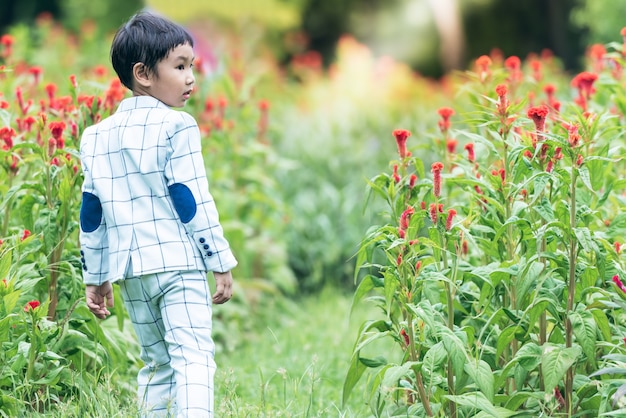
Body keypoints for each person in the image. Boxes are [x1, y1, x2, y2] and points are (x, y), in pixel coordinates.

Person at [78, 11, 237, 417]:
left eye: (191, 67)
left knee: (157, 363)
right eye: (180, 66)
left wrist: (95, 276)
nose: (190, 78)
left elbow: (91, 213)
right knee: (194, 357)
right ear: (144, 74)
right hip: (178, 266)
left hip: (132, 272)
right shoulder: (177, 126)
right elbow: (190, 200)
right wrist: (218, 259)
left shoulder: (95, 137)